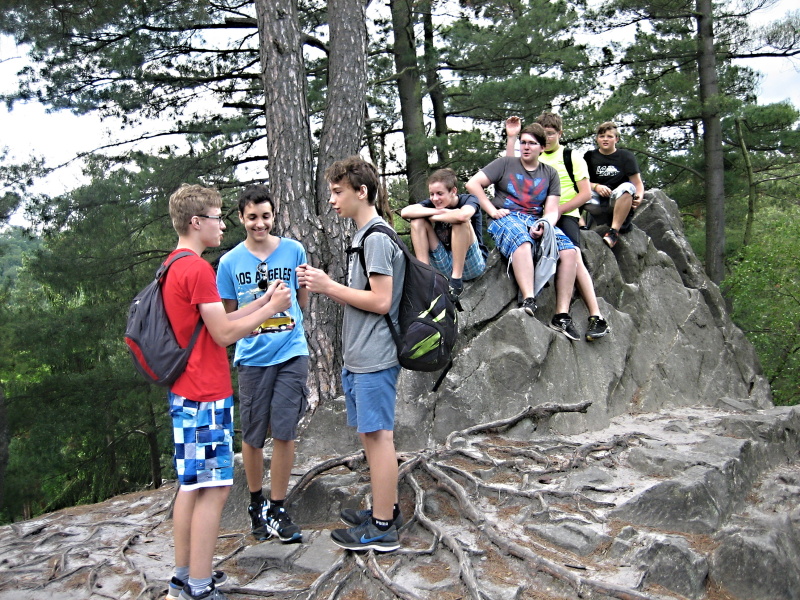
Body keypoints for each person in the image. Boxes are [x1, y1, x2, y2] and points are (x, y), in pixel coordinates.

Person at [162, 184, 291, 600]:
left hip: (185, 390)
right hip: (205, 393)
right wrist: (271, 309)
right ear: (196, 222)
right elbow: (222, 334)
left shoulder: (174, 264)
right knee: (214, 489)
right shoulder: (199, 270)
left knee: (191, 486)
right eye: (217, 218)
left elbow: (219, 319)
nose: (222, 226)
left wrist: (263, 302)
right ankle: (199, 587)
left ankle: (183, 577)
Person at [297, 156, 404, 552]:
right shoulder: (365, 236)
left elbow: (381, 301)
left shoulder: (375, 238)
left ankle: (382, 528)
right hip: (361, 355)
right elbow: (367, 297)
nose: (332, 200)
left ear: (362, 192)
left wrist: (328, 286)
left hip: (376, 355)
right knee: (371, 436)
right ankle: (385, 510)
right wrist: (331, 286)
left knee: (379, 437)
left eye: (338, 192)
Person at [216, 185, 308, 544]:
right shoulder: (229, 263)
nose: (260, 223)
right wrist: (261, 311)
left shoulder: (294, 250)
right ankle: (256, 504)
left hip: (291, 351)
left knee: (285, 431)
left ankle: (279, 507)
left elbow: (301, 300)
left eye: (266, 216)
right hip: (252, 358)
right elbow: (228, 317)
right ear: (241, 218)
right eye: (252, 217)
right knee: (253, 435)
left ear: (274, 215)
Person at [466, 123, 581, 340]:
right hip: (506, 217)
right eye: (523, 142)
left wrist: (544, 225)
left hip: (536, 219)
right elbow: (473, 184)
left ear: (542, 147)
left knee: (569, 251)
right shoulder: (505, 163)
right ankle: (529, 299)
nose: (526, 147)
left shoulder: (550, 173)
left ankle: (561, 315)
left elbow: (552, 210)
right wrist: (491, 210)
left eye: (532, 143)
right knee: (522, 240)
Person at [505, 114, 610, 341]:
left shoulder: (571, 157)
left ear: (560, 134)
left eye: (551, 133)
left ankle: (596, 316)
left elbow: (585, 194)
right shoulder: (533, 154)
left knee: (573, 254)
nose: (547, 137)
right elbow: (510, 168)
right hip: (534, 215)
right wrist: (512, 137)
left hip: (565, 214)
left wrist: (557, 211)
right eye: (543, 133)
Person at [399, 168, 488, 300]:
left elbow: (463, 215)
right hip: (444, 263)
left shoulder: (469, 199)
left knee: (460, 221)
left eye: (440, 193)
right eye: (432, 194)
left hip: (470, 262)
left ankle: (456, 282)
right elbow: (405, 212)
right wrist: (440, 212)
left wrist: (435, 216)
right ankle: (425, 277)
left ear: (453, 191)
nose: (435, 198)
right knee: (417, 221)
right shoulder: (432, 204)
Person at [583, 121, 645, 248]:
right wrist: (596, 186)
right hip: (595, 200)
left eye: (609, 136)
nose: (605, 139)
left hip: (617, 198)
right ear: (597, 139)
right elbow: (581, 181)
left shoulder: (626, 156)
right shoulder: (589, 156)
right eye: (602, 136)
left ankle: (613, 232)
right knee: (571, 189)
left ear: (616, 139)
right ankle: (580, 227)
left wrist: (639, 198)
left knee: (628, 187)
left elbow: (637, 183)